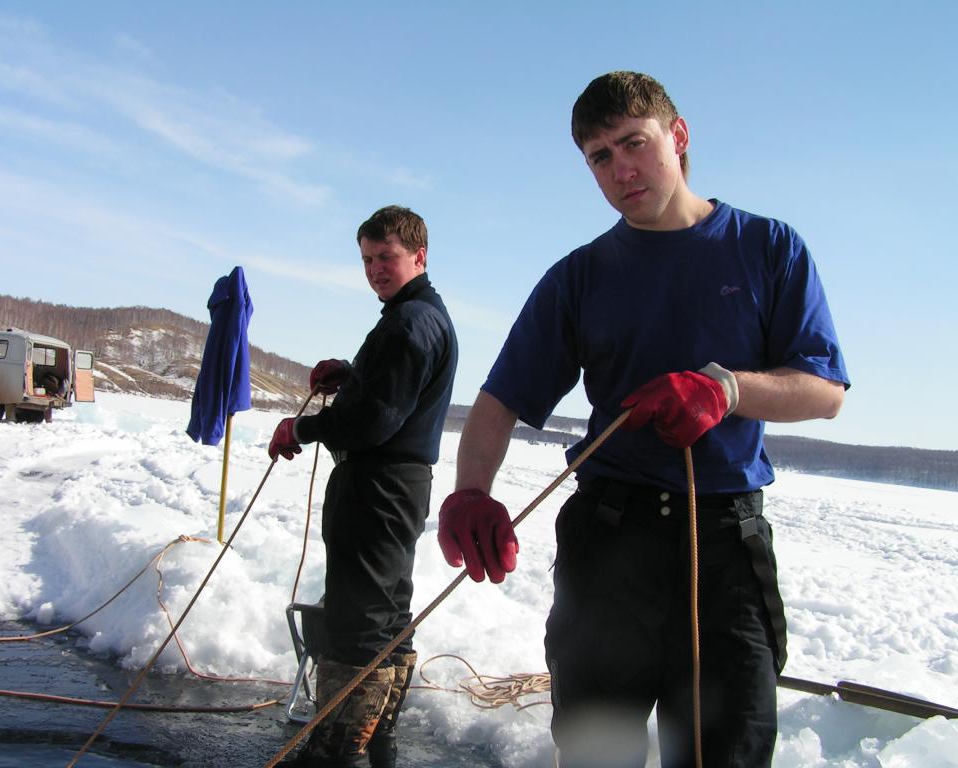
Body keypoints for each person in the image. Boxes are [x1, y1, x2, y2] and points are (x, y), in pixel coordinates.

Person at [436, 71, 849, 768]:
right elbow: (499, 400)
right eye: (600, 156)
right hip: (610, 547)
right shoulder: (580, 275)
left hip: (723, 548)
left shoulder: (769, 248)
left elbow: (823, 390)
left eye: (634, 143)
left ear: (677, 137)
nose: (621, 168)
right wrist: (472, 490)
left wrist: (725, 389)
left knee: (728, 752)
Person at [268, 205, 458, 768]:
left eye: (387, 258)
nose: (376, 269)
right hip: (399, 485)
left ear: (418, 256)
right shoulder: (420, 314)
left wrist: (301, 426)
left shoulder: (408, 322)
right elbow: (391, 393)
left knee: (359, 625)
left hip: (377, 487)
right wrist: (351, 376)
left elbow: (374, 420)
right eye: (368, 259)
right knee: (387, 615)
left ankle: (335, 751)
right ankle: (377, 744)